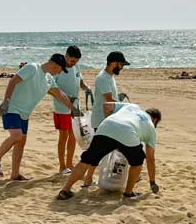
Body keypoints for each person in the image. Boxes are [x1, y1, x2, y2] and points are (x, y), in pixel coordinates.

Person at [0, 54, 78, 180]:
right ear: (54, 65)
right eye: (59, 69)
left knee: (21, 142)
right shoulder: (33, 68)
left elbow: (60, 95)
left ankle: (15, 174)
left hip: (25, 114)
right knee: (17, 136)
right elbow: (13, 80)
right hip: (12, 108)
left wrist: (73, 109)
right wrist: (6, 101)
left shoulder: (49, 79)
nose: (59, 72)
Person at [57, 103, 161, 200]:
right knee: (137, 162)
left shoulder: (132, 106)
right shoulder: (151, 128)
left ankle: (65, 190)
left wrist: (112, 128)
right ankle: (128, 192)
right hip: (128, 132)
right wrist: (152, 182)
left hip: (106, 126)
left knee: (86, 160)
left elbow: (106, 106)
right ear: (155, 120)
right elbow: (150, 159)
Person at [82, 51, 130, 186]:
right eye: (121, 65)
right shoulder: (103, 78)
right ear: (114, 63)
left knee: (109, 149)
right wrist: (126, 108)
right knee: (98, 152)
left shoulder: (110, 77)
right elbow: (109, 100)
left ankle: (95, 178)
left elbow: (112, 98)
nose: (122, 68)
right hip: (102, 120)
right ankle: (88, 179)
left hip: (109, 119)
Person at [52, 46, 92, 174]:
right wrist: (66, 97)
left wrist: (86, 88)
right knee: (63, 136)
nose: (73, 63)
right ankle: (62, 166)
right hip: (61, 108)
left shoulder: (76, 67)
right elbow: (50, 89)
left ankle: (69, 164)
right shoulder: (58, 68)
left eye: (76, 62)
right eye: (72, 61)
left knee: (74, 135)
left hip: (75, 107)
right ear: (66, 56)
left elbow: (80, 82)